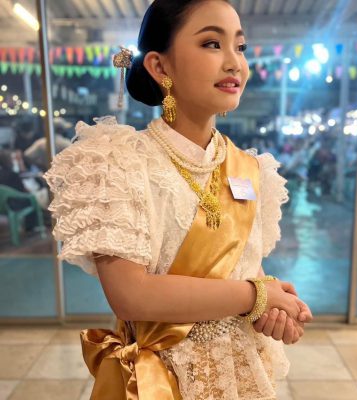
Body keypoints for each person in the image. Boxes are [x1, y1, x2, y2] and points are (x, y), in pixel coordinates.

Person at [43, 1, 313, 399]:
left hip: (240, 374)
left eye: (240, 47)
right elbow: (131, 295)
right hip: (158, 379)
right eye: (211, 43)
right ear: (159, 66)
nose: (235, 63)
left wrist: (271, 309)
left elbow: (243, 269)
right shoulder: (117, 162)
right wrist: (256, 295)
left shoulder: (253, 169)